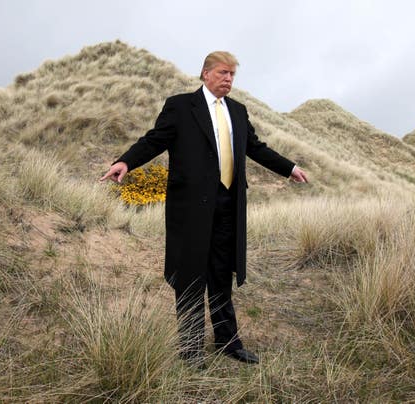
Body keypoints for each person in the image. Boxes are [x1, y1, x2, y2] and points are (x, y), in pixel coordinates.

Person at [100, 51, 308, 367]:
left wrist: (288, 167)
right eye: (223, 73)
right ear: (206, 73)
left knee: (222, 275)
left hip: (228, 206)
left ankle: (228, 341)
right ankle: (192, 349)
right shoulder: (181, 106)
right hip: (191, 210)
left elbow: (255, 147)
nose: (228, 79)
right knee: (190, 276)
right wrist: (126, 160)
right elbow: (155, 140)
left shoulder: (237, 111)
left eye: (232, 75)